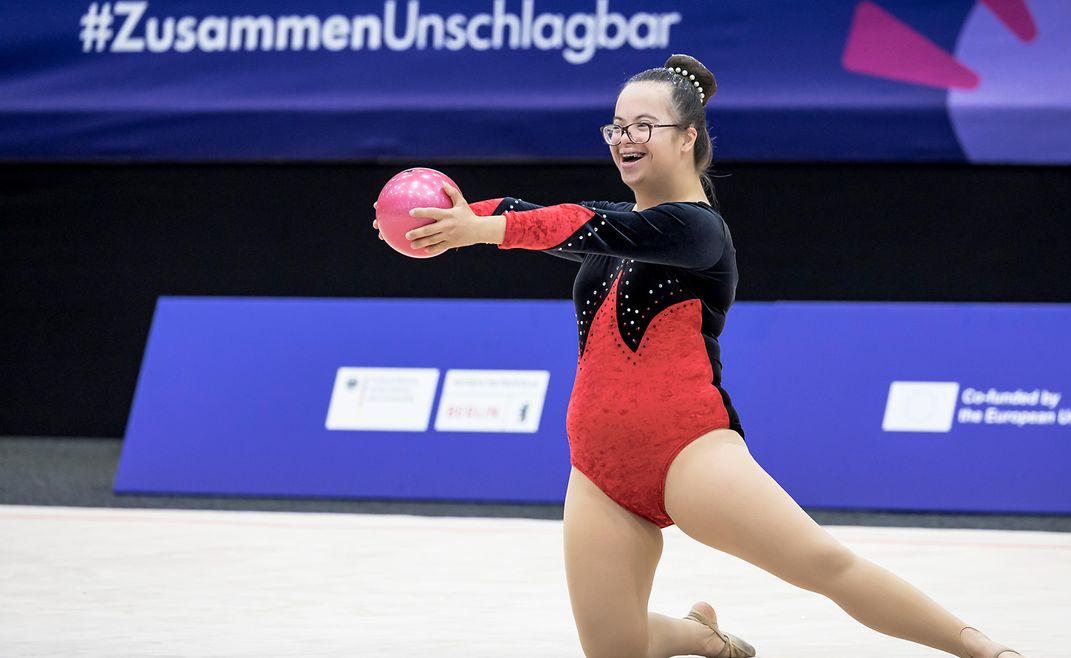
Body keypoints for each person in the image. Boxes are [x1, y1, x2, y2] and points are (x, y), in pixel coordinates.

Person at [374, 54, 1025, 658]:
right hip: (599, 470)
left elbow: (583, 222)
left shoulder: (697, 229)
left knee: (824, 566)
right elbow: (536, 215)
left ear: (687, 137)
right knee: (614, 648)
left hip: (689, 452)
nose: (626, 138)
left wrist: (482, 230)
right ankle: (701, 638)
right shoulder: (616, 233)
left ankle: (982, 649)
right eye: (617, 127)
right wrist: (438, 224)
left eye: (645, 125)